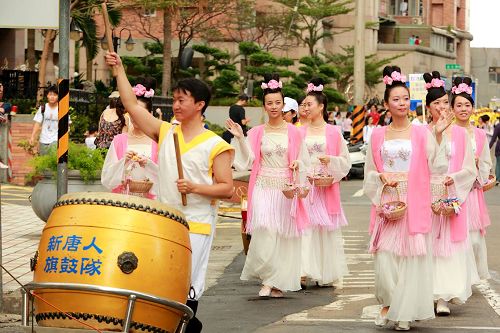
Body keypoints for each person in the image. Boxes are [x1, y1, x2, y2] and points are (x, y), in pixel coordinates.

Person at [105, 51, 234, 333]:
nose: (175, 105)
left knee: (186, 283)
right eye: (174, 99)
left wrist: (196, 187)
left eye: (181, 100)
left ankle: (187, 325)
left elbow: (226, 188)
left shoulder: (215, 144)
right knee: (160, 278)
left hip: (197, 223)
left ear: (200, 105)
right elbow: (131, 105)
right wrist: (120, 70)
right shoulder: (166, 132)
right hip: (164, 220)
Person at [363, 66, 452, 331]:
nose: (402, 104)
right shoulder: (378, 134)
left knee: (410, 261)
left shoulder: (422, 132)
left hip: (414, 203)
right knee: (386, 261)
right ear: (386, 104)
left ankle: (404, 313)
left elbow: (436, 165)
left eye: (405, 99)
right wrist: (381, 179)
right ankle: (390, 303)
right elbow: (370, 170)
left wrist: (438, 133)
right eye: (395, 99)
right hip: (388, 201)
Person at [226, 73, 310, 298]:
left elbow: (304, 160)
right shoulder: (256, 132)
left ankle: (277, 282)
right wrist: (241, 138)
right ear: (263, 106)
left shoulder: (294, 132)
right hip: (262, 185)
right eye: (269, 103)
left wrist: (297, 163)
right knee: (264, 230)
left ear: (284, 105)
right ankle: (267, 278)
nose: (274, 107)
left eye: (278, 103)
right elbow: (247, 160)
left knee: (282, 234)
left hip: (284, 188)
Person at [423, 71, 478, 316]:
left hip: (451, 191)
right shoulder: (420, 132)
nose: (443, 107)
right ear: (427, 107)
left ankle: (443, 295)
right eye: (437, 103)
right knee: (427, 245)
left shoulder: (461, 134)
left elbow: (469, 168)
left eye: (446, 102)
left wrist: (453, 180)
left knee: (449, 246)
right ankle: (426, 291)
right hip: (426, 193)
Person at [299, 78, 350, 288]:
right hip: (306, 184)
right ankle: (302, 270)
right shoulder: (299, 131)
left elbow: (345, 161)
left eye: (309, 104)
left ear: (321, 107)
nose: (306, 108)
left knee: (324, 230)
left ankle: (324, 271)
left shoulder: (333, 132)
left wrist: (332, 161)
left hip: (325, 185)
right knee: (305, 228)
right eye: (304, 104)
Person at [451, 77, 493, 284]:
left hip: (472, 192)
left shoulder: (479, 135)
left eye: (467, 105)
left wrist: (477, 171)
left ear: (473, 108)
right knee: (458, 237)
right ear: (452, 108)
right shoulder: (447, 133)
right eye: (458, 105)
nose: (463, 109)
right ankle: (459, 277)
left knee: (474, 238)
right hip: (453, 192)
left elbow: (486, 163)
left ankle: (471, 274)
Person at [101, 81, 160, 199]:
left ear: (151, 114)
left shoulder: (158, 142)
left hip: (149, 205)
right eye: (133, 112)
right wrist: (123, 161)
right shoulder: (119, 141)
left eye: (141, 113)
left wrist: (148, 165)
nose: (136, 117)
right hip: (122, 202)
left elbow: (167, 178)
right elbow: (107, 179)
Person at [29, 85, 60, 155]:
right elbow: (37, 123)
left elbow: (67, 124)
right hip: (43, 139)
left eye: (55, 95)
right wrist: (32, 137)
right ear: (47, 96)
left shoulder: (61, 108)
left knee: (52, 159)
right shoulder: (43, 108)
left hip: (56, 139)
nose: (52, 97)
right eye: (50, 94)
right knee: (43, 161)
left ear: (58, 96)